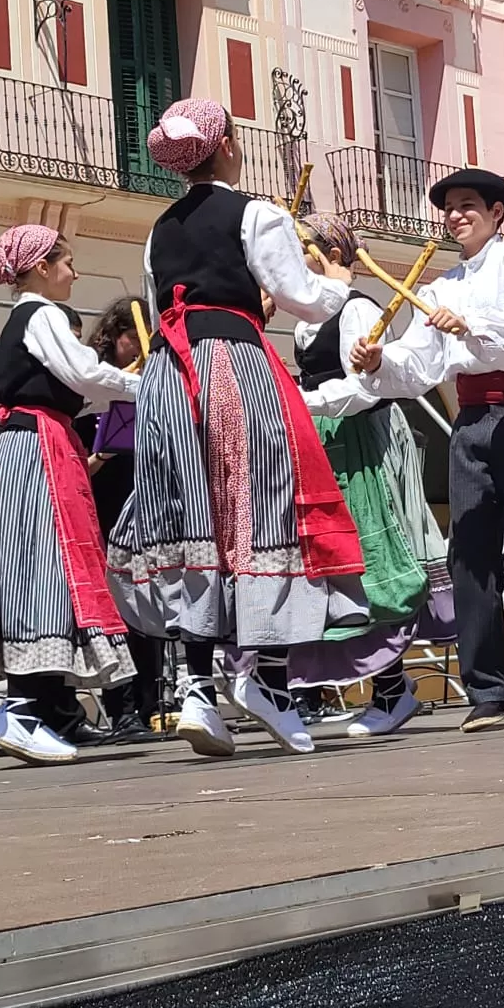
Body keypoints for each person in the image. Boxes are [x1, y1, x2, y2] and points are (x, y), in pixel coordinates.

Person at [108, 97, 364, 757]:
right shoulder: (257, 213)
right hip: (232, 365)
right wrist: (337, 281)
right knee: (261, 505)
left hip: (171, 372)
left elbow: (175, 298)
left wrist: (256, 296)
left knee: (197, 512)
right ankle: (270, 682)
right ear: (225, 147)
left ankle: (197, 687)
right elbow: (304, 297)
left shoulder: (159, 228)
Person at [348, 167, 504, 732]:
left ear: (497, 212)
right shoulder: (437, 287)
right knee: (467, 556)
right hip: (472, 422)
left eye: (468, 204)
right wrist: (379, 363)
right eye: (448, 207)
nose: (455, 215)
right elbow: (418, 364)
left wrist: (471, 322)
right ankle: (489, 691)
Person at [0, 227, 141, 764]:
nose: (75, 272)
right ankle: (20, 710)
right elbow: (82, 372)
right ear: (42, 266)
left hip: (29, 447)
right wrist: (152, 382)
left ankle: (43, 710)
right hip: (33, 452)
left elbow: (75, 381)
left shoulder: (25, 317)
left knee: (37, 567)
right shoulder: (41, 314)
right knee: (41, 567)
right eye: (68, 262)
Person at [285, 212, 456, 738]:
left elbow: (366, 388)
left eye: (301, 248)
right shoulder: (305, 320)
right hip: (329, 442)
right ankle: (387, 687)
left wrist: (304, 403)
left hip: (364, 440)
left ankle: (392, 690)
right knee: (343, 562)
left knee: (376, 557)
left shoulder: (356, 309)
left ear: (331, 255)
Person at [78, 296, 169, 743]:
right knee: (113, 613)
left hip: (143, 512)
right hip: (100, 512)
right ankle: (122, 709)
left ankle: (151, 705)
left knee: (145, 611)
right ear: (113, 336)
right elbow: (75, 470)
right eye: (134, 337)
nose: (141, 346)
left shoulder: (148, 387)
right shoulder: (90, 394)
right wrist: (101, 452)